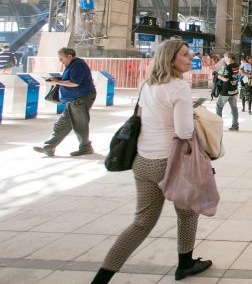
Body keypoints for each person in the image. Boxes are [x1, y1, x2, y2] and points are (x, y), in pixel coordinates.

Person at [89, 39, 211, 284]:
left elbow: (143, 117)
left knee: (142, 223)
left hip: (143, 161)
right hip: (171, 163)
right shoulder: (178, 87)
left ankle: (101, 278)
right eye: (185, 55)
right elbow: (184, 131)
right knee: (187, 214)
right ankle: (185, 264)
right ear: (170, 59)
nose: (190, 58)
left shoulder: (147, 84)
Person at [34, 47, 96, 157]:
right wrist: (58, 79)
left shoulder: (78, 65)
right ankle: (48, 147)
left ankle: (86, 148)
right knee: (62, 124)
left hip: (80, 98)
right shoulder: (71, 65)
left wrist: (58, 82)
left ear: (69, 56)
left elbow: (75, 83)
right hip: (74, 99)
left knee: (79, 124)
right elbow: (70, 79)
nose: (60, 61)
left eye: (61, 58)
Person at [215, 53, 239, 131]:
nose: (224, 58)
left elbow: (225, 79)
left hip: (226, 91)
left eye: (225, 57)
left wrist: (218, 76)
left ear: (229, 57)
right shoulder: (237, 65)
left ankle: (218, 126)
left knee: (219, 107)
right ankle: (235, 125)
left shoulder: (228, 67)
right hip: (234, 90)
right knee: (234, 108)